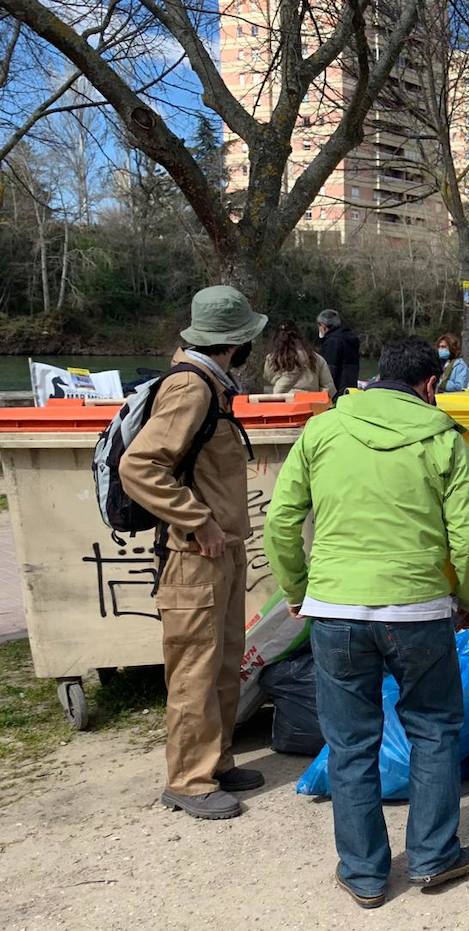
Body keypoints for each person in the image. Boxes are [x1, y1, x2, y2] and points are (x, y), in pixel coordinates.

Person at [264, 336, 469, 908]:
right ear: (431, 385)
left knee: (349, 742)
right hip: (418, 610)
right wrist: (467, 600)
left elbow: (280, 522)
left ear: (372, 378)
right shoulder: (444, 439)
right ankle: (434, 857)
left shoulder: (322, 430)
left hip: (335, 611)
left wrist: (298, 591)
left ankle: (365, 874)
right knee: (434, 729)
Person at [120, 285, 267, 821]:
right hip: (193, 553)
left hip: (217, 550)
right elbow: (139, 467)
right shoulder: (192, 388)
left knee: (225, 662)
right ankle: (188, 779)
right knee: (195, 670)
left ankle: (216, 761)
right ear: (237, 342)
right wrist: (197, 520)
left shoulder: (209, 383)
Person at [264, 322, 336, 395]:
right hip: (310, 402)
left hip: (282, 402)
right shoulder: (316, 358)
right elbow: (329, 388)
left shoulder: (271, 359)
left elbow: (268, 381)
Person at [317, 309, 361, 399]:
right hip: (350, 390)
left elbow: (329, 371)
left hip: (337, 393)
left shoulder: (332, 342)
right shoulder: (350, 339)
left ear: (323, 326)